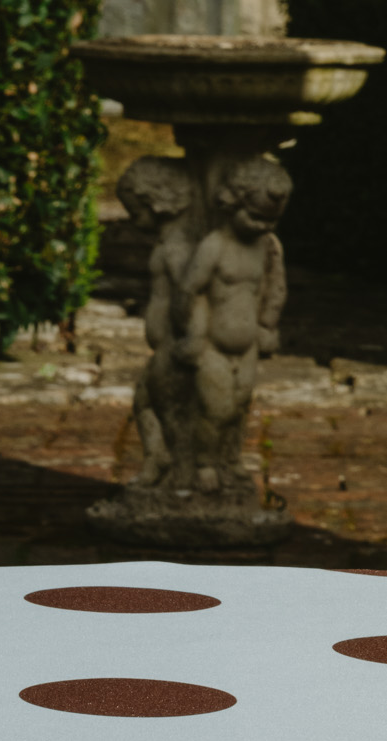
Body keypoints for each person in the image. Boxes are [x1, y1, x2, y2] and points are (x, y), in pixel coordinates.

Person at [178, 155, 291, 495]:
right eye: (255, 218)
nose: (262, 227)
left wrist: (268, 325)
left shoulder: (267, 246)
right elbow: (190, 290)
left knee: (240, 406)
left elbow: (275, 287)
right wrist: (193, 335)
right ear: (232, 204)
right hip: (213, 344)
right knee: (216, 408)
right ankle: (204, 463)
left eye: (270, 221)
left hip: (249, 345)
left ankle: (230, 460)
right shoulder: (216, 245)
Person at [116, 156, 195, 490]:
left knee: (166, 406)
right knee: (146, 400)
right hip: (164, 344)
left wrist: (189, 334)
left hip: (173, 344)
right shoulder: (170, 244)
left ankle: (180, 466)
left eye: (137, 212)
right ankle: (159, 458)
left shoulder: (177, 248)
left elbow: (187, 292)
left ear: (157, 203)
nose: (134, 222)